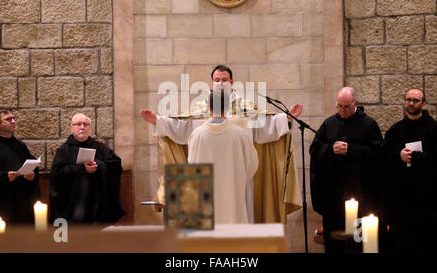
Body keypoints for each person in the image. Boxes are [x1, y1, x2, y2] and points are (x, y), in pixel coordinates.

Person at [140, 64, 303, 145]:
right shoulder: (202, 108)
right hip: (208, 169)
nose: (220, 83)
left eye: (224, 80)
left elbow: (266, 126)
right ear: (211, 83)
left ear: (232, 82)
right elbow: (180, 126)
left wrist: (286, 117)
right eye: (216, 80)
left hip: (238, 170)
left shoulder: (244, 107)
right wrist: (157, 120)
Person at [309, 87, 383, 253]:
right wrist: (330, 149)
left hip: (361, 194)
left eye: (346, 107)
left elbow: (378, 155)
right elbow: (315, 149)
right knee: (336, 242)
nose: (341, 110)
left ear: (355, 103)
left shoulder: (369, 124)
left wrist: (351, 150)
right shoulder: (329, 124)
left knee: (359, 241)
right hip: (334, 196)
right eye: (339, 106)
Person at [188, 89, 258, 223]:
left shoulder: (197, 135)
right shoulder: (240, 134)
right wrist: (236, 180)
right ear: (227, 108)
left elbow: (191, 166)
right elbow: (251, 165)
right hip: (233, 197)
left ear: (208, 108)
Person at [381, 89, 437, 252]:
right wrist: (398, 156)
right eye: (408, 100)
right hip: (402, 198)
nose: (411, 103)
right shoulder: (395, 130)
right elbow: (383, 157)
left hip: (427, 197)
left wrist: (417, 157)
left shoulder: (434, 129)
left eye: (415, 100)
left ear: (423, 103)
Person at [49, 113, 124, 224]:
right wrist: (82, 169)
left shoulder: (100, 147)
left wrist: (98, 166)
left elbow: (116, 165)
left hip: (98, 204)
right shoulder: (64, 150)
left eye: (85, 124)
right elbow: (58, 174)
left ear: (89, 128)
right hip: (74, 205)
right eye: (78, 124)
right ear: (72, 128)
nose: (82, 127)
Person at [0, 109, 41, 223]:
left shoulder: (20, 145)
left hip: (22, 199)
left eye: (14, 118)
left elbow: (32, 165)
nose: (13, 121)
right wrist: (5, 176)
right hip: (2, 201)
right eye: (8, 119)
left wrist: (32, 174)